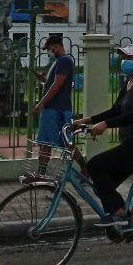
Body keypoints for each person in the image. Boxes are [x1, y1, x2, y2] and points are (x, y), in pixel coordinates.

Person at [75, 42, 133, 228]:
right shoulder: (128, 84)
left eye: (128, 57)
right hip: (131, 145)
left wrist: (105, 125)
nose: (123, 61)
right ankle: (123, 226)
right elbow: (115, 111)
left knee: (95, 165)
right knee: (101, 186)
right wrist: (85, 121)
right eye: (123, 57)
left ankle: (120, 214)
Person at [32, 34, 75, 171]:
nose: (50, 52)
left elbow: (57, 85)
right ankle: (41, 172)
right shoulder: (59, 61)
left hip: (56, 108)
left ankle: (41, 172)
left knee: (54, 144)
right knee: (49, 143)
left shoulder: (64, 61)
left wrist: (41, 104)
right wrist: (44, 80)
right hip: (55, 108)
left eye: (52, 49)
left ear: (58, 46)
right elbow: (56, 84)